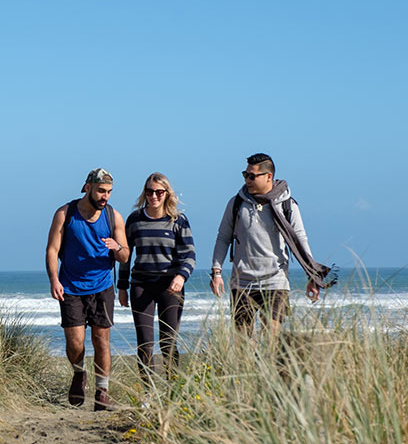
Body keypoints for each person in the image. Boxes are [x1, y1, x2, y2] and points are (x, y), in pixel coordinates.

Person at [210, 153, 334, 333]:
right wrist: (216, 271)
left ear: (269, 176)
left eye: (252, 176)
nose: (247, 180)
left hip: (275, 281)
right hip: (242, 282)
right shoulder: (236, 203)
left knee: (272, 338)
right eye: (245, 175)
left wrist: (312, 276)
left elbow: (301, 240)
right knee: (242, 343)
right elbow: (223, 237)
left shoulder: (287, 205)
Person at [46, 168, 129, 411]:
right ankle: (78, 373)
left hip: (102, 286)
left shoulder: (114, 217)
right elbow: (52, 249)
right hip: (71, 286)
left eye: (109, 192)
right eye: (101, 191)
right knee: (76, 343)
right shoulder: (65, 214)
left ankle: (102, 391)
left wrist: (117, 247)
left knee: (101, 340)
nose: (105, 197)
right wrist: (54, 279)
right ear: (88, 187)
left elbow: (125, 256)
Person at [117, 173, 195, 384]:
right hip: (141, 286)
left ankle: (173, 389)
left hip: (170, 287)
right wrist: (122, 287)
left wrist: (181, 276)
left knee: (168, 342)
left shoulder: (178, 220)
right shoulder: (135, 219)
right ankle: (148, 393)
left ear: (166, 194)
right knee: (145, 343)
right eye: (150, 192)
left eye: (159, 192)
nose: (154, 196)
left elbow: (189, 254)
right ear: (145, 193)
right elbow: (125, 255)